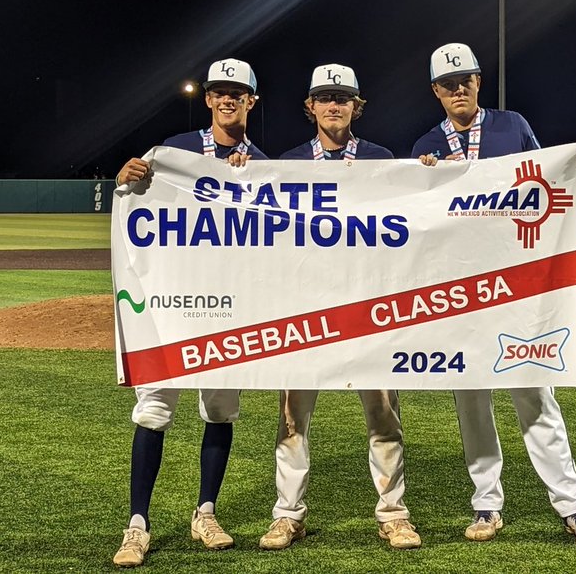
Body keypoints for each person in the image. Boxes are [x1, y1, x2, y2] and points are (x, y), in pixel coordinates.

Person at [411, 43, 576, 548]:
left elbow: (548, 177)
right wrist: (423, 178)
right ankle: (486, 505)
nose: (459, 89)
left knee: (536, 393)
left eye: (467, 80)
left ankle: (573, 507)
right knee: (471, 400)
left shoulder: (511, 125)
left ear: (479, 82)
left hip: (517, 287)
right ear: (435, 91)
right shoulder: (423, 146)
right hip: (458, 291)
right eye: (448, 84)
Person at [111, 58, 268, 567]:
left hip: (228, 307)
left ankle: (205, 512)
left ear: (251, 101)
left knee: (219, 411)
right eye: (219, 91)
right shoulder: (172, 152)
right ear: (207, 99)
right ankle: (138, 525)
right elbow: (134, 200)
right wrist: (126, 178)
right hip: (172, 305)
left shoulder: (265, 165)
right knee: (154, 410)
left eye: (237, 92)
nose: (227, 99)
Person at [260, 64, 421, 551]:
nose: (334, 105)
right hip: (305, 309)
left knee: (384, 417)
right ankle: (288, 515)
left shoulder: (381, 158)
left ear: (357, 105)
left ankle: (393, 514)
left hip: (368, 309)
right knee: (291, 422)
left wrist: (433, 177)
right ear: (310, 106)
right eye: (325, 97)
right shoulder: (285, 162)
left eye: (343, 97)